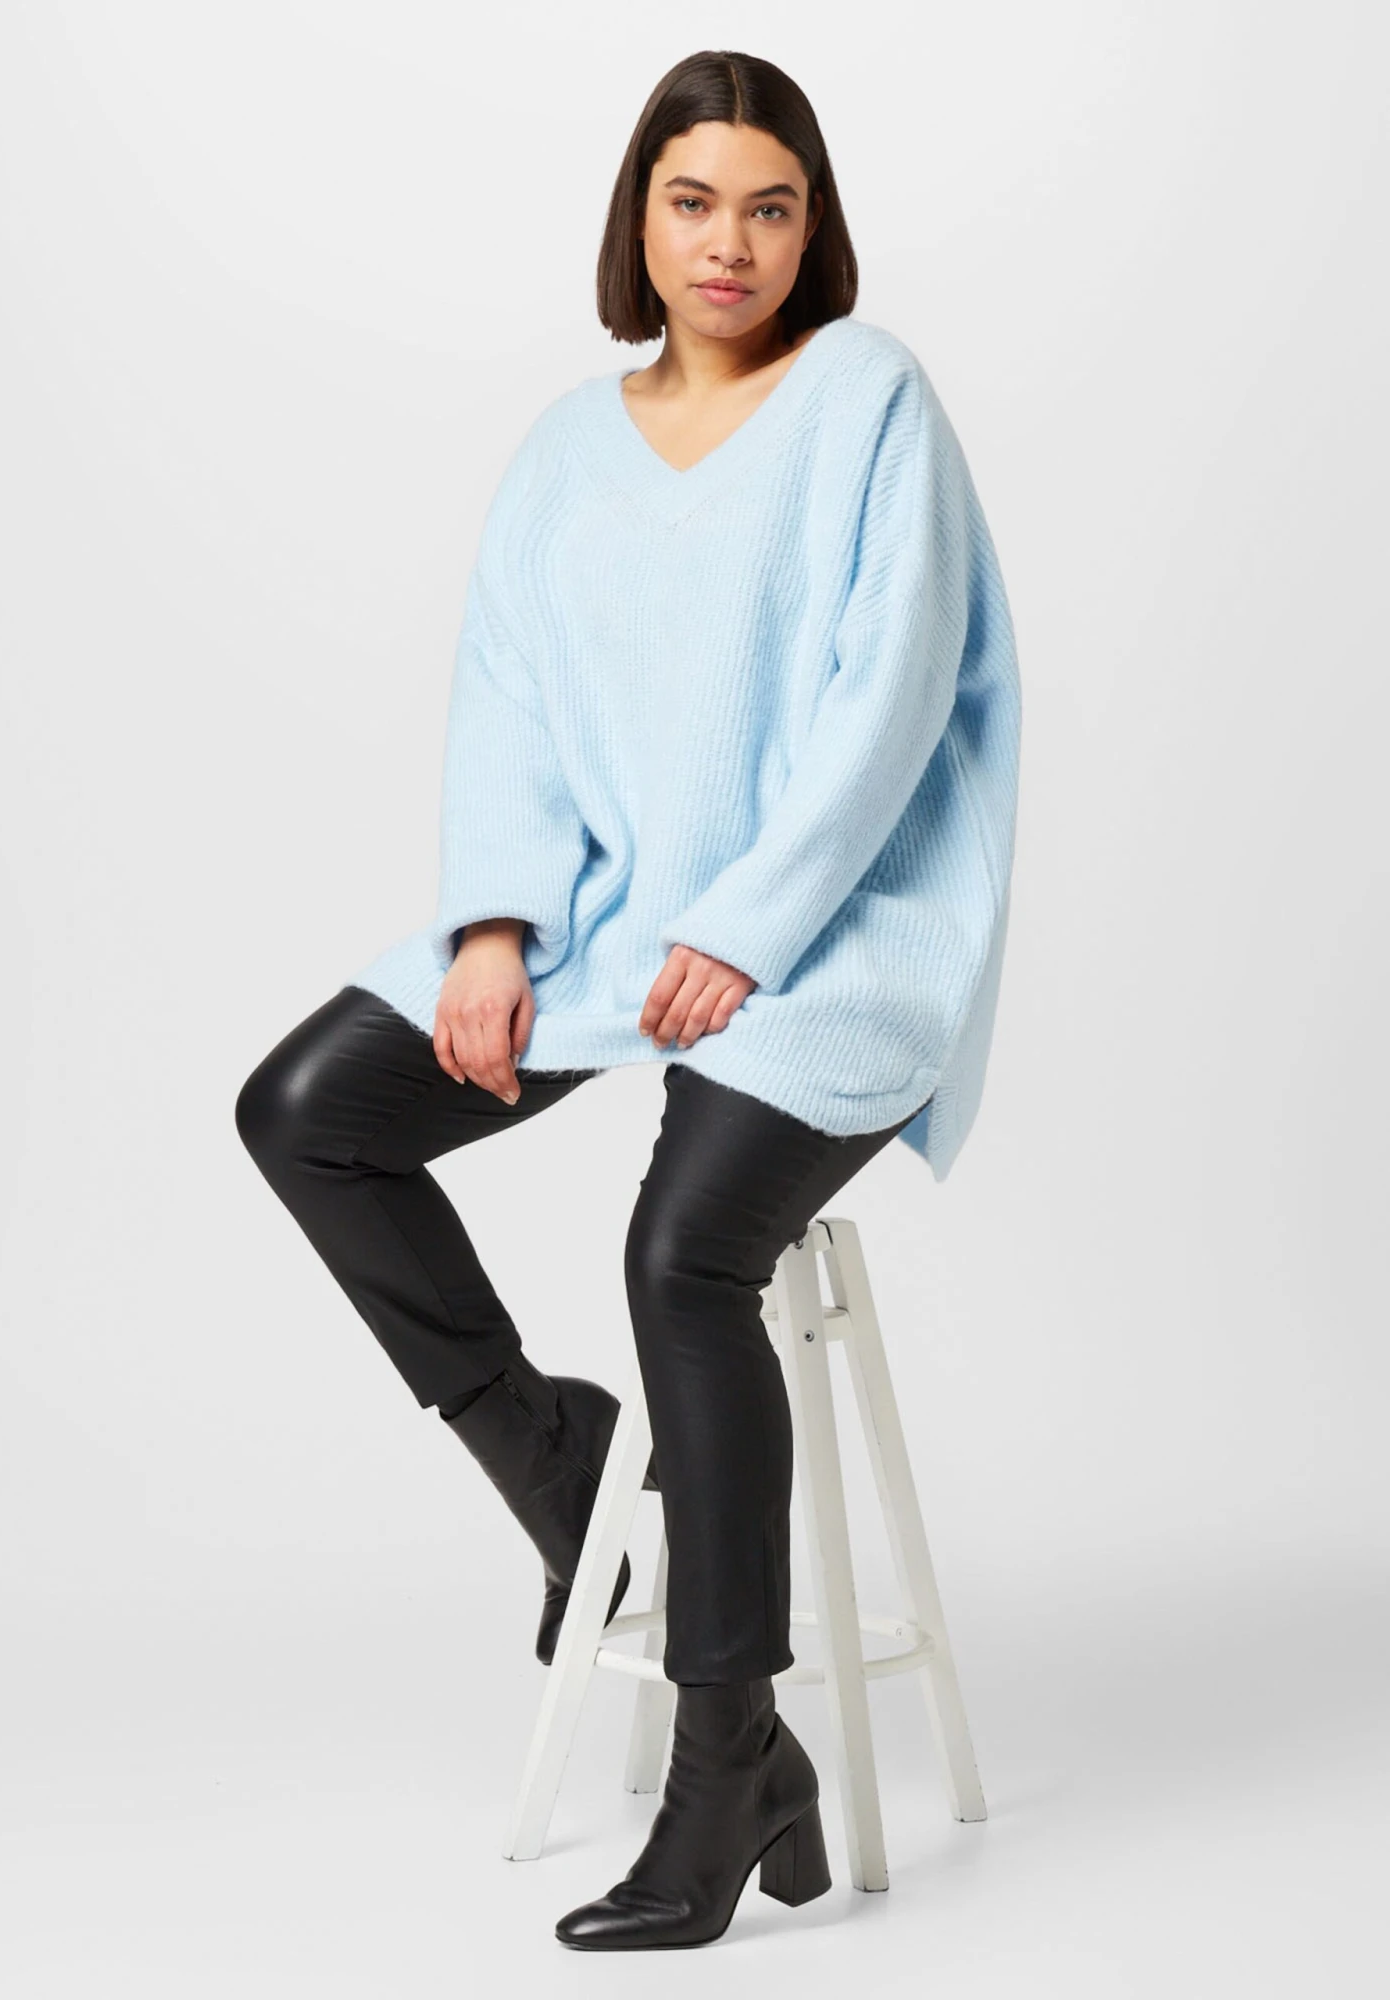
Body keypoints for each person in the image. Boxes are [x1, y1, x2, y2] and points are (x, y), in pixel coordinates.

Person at [235, 47, 1021, 1953]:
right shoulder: (564, 453)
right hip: (613, 930)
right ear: (641, 220)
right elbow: (507, 697)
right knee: (308, 1113)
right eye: (693, 203)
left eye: (769, 206)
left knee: (684, 1256)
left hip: (842, 938)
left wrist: (753, 925)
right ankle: (560, 1462)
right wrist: (495, 927)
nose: (729, 242)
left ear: (812, 228)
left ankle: (727, 1757)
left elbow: (894, 693)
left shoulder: (870, 399)